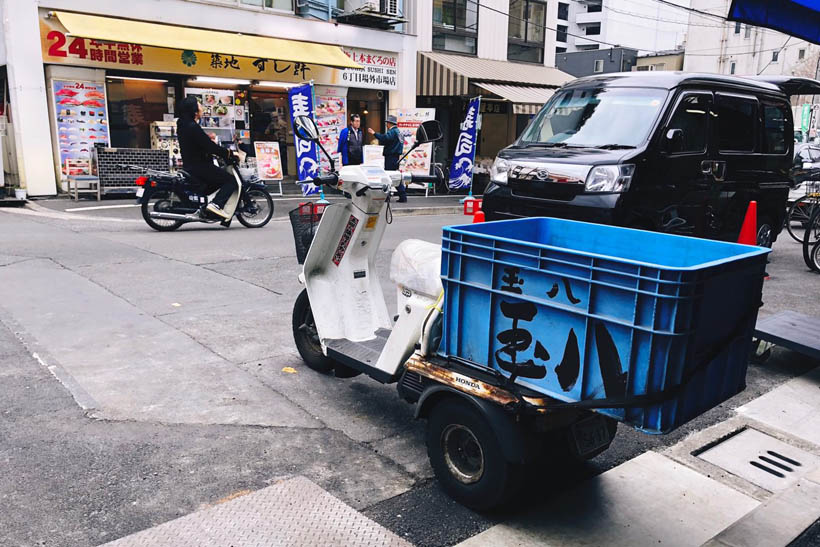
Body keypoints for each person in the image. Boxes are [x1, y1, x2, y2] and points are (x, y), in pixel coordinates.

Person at [177, 96, 235, 219]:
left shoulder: (184, 125)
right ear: (194, 110)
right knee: (230, 180)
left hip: (191, 165)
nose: (202, 107)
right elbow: (210, 147)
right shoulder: (193, 127)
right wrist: (228, 153)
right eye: (199, 105)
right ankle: (216, 205)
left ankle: (203, 206)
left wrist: (207, 139)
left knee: (213, 183)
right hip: (200, 165)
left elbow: (198, 143)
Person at [368, 115, 406, 202]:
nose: (386, 125)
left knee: (388, 176)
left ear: (389, 123)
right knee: (396, 176)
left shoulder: (392, 132)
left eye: (387, 123)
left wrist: (374, 133)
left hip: (391, 156)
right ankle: (402, 195)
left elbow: (385, 139)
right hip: (396, 157)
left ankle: (387, 196)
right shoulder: (399, 132)